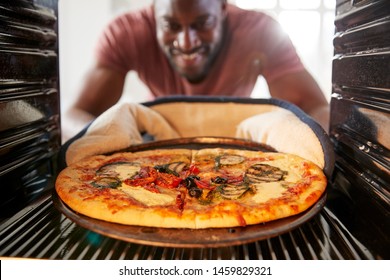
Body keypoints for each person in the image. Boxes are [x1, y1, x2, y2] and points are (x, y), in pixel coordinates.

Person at [62, 0, 330, 142]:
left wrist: (291, 139)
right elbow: (73, 115)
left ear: (223, 8)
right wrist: (112, 141)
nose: (186, 43)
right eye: (170, 26)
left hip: (239, 147)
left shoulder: (261, 32)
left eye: (202, 23)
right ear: (154, 12)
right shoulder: (126, 32)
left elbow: (318, 109)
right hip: (158, 148)